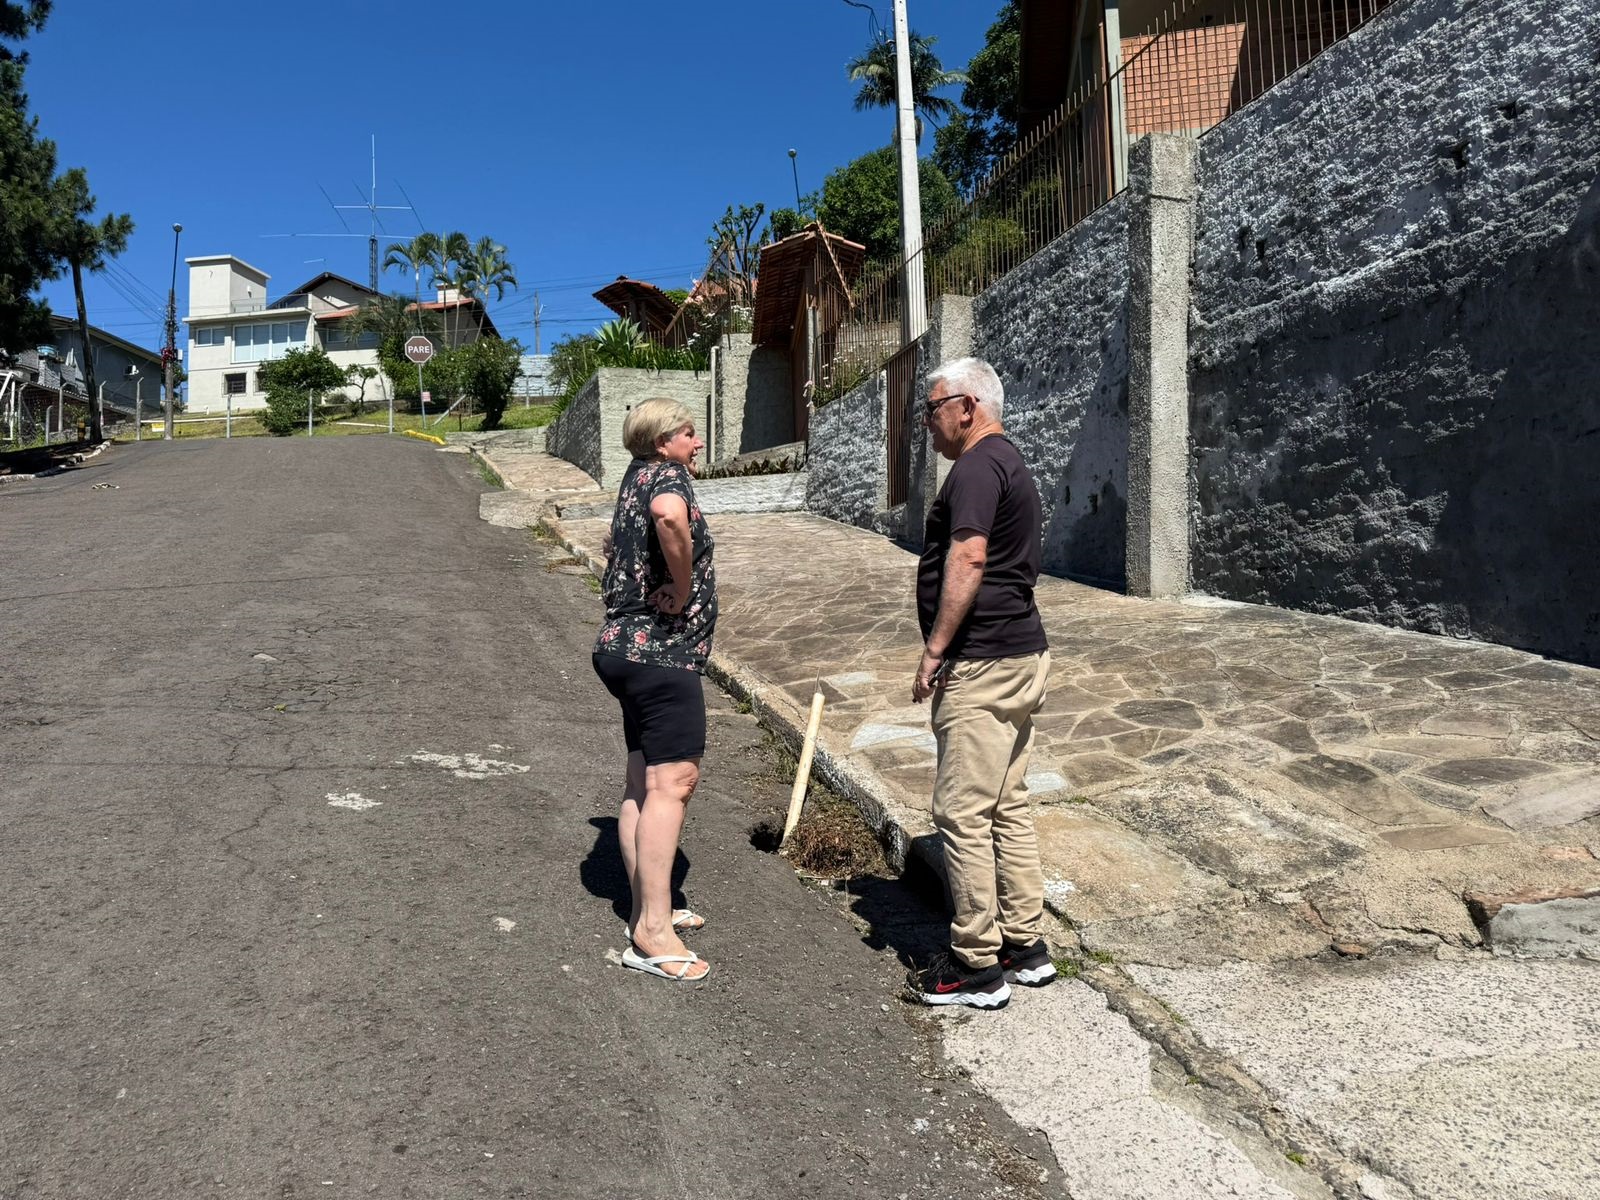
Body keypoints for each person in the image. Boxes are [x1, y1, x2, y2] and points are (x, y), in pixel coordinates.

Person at [908, 357, 1056, 1010]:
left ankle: (975, 965)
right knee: (1006, 802)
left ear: (967, 406)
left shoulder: (974, 467)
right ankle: (1024, 945)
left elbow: (968, 555)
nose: (927, 423)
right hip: (1022, 653)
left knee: (961, 812)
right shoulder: (1008, 463)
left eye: (932, 409)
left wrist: (935, 648)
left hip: (984, 660)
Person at [593, 397, 718, 983]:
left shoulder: (634, 475)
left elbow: (611, 551)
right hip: (659, 652)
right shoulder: (667, 477)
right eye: (690, 434)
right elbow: (670, 519)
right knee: (675, 781)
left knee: (642, 779)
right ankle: (651, 935)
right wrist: (685, 584)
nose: (698, 443)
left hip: (621, 647)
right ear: (666, 439)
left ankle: (649, 908)